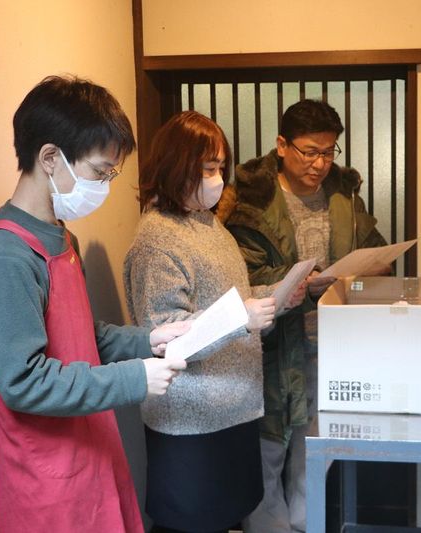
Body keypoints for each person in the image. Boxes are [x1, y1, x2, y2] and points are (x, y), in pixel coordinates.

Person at [0, 75, 190, 533]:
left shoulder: (64, 239)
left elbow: (84, 338)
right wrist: (134, 378)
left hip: (90, 446)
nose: (105, 185)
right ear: (50, 158)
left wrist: (150, 339)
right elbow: (21, 380)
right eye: (100, 171)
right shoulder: (5, 255)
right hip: (45, 475)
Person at [123, 110, 304, 533]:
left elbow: (226, 301)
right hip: (189, 420)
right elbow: (167, 335)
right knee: (190, 522)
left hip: (232, 407)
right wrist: (243, 317)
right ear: (177, 167)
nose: (218, 178)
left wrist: (277, 295)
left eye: (220, 167)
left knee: (226, 518)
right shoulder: (156, 238)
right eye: (208, 168)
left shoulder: (208, 224)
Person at [217, 99, 389, 532]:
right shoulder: (251, 200)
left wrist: (375, 266)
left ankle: (306, 525)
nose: (319, 164)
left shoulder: (345, 195)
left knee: (315, 446)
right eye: (309, 151)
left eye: (329, 153)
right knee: (268, 448)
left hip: (333, 343)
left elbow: (372, 245)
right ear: (281, 145)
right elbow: (241, 273)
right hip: (272, 344)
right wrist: (301, 282)